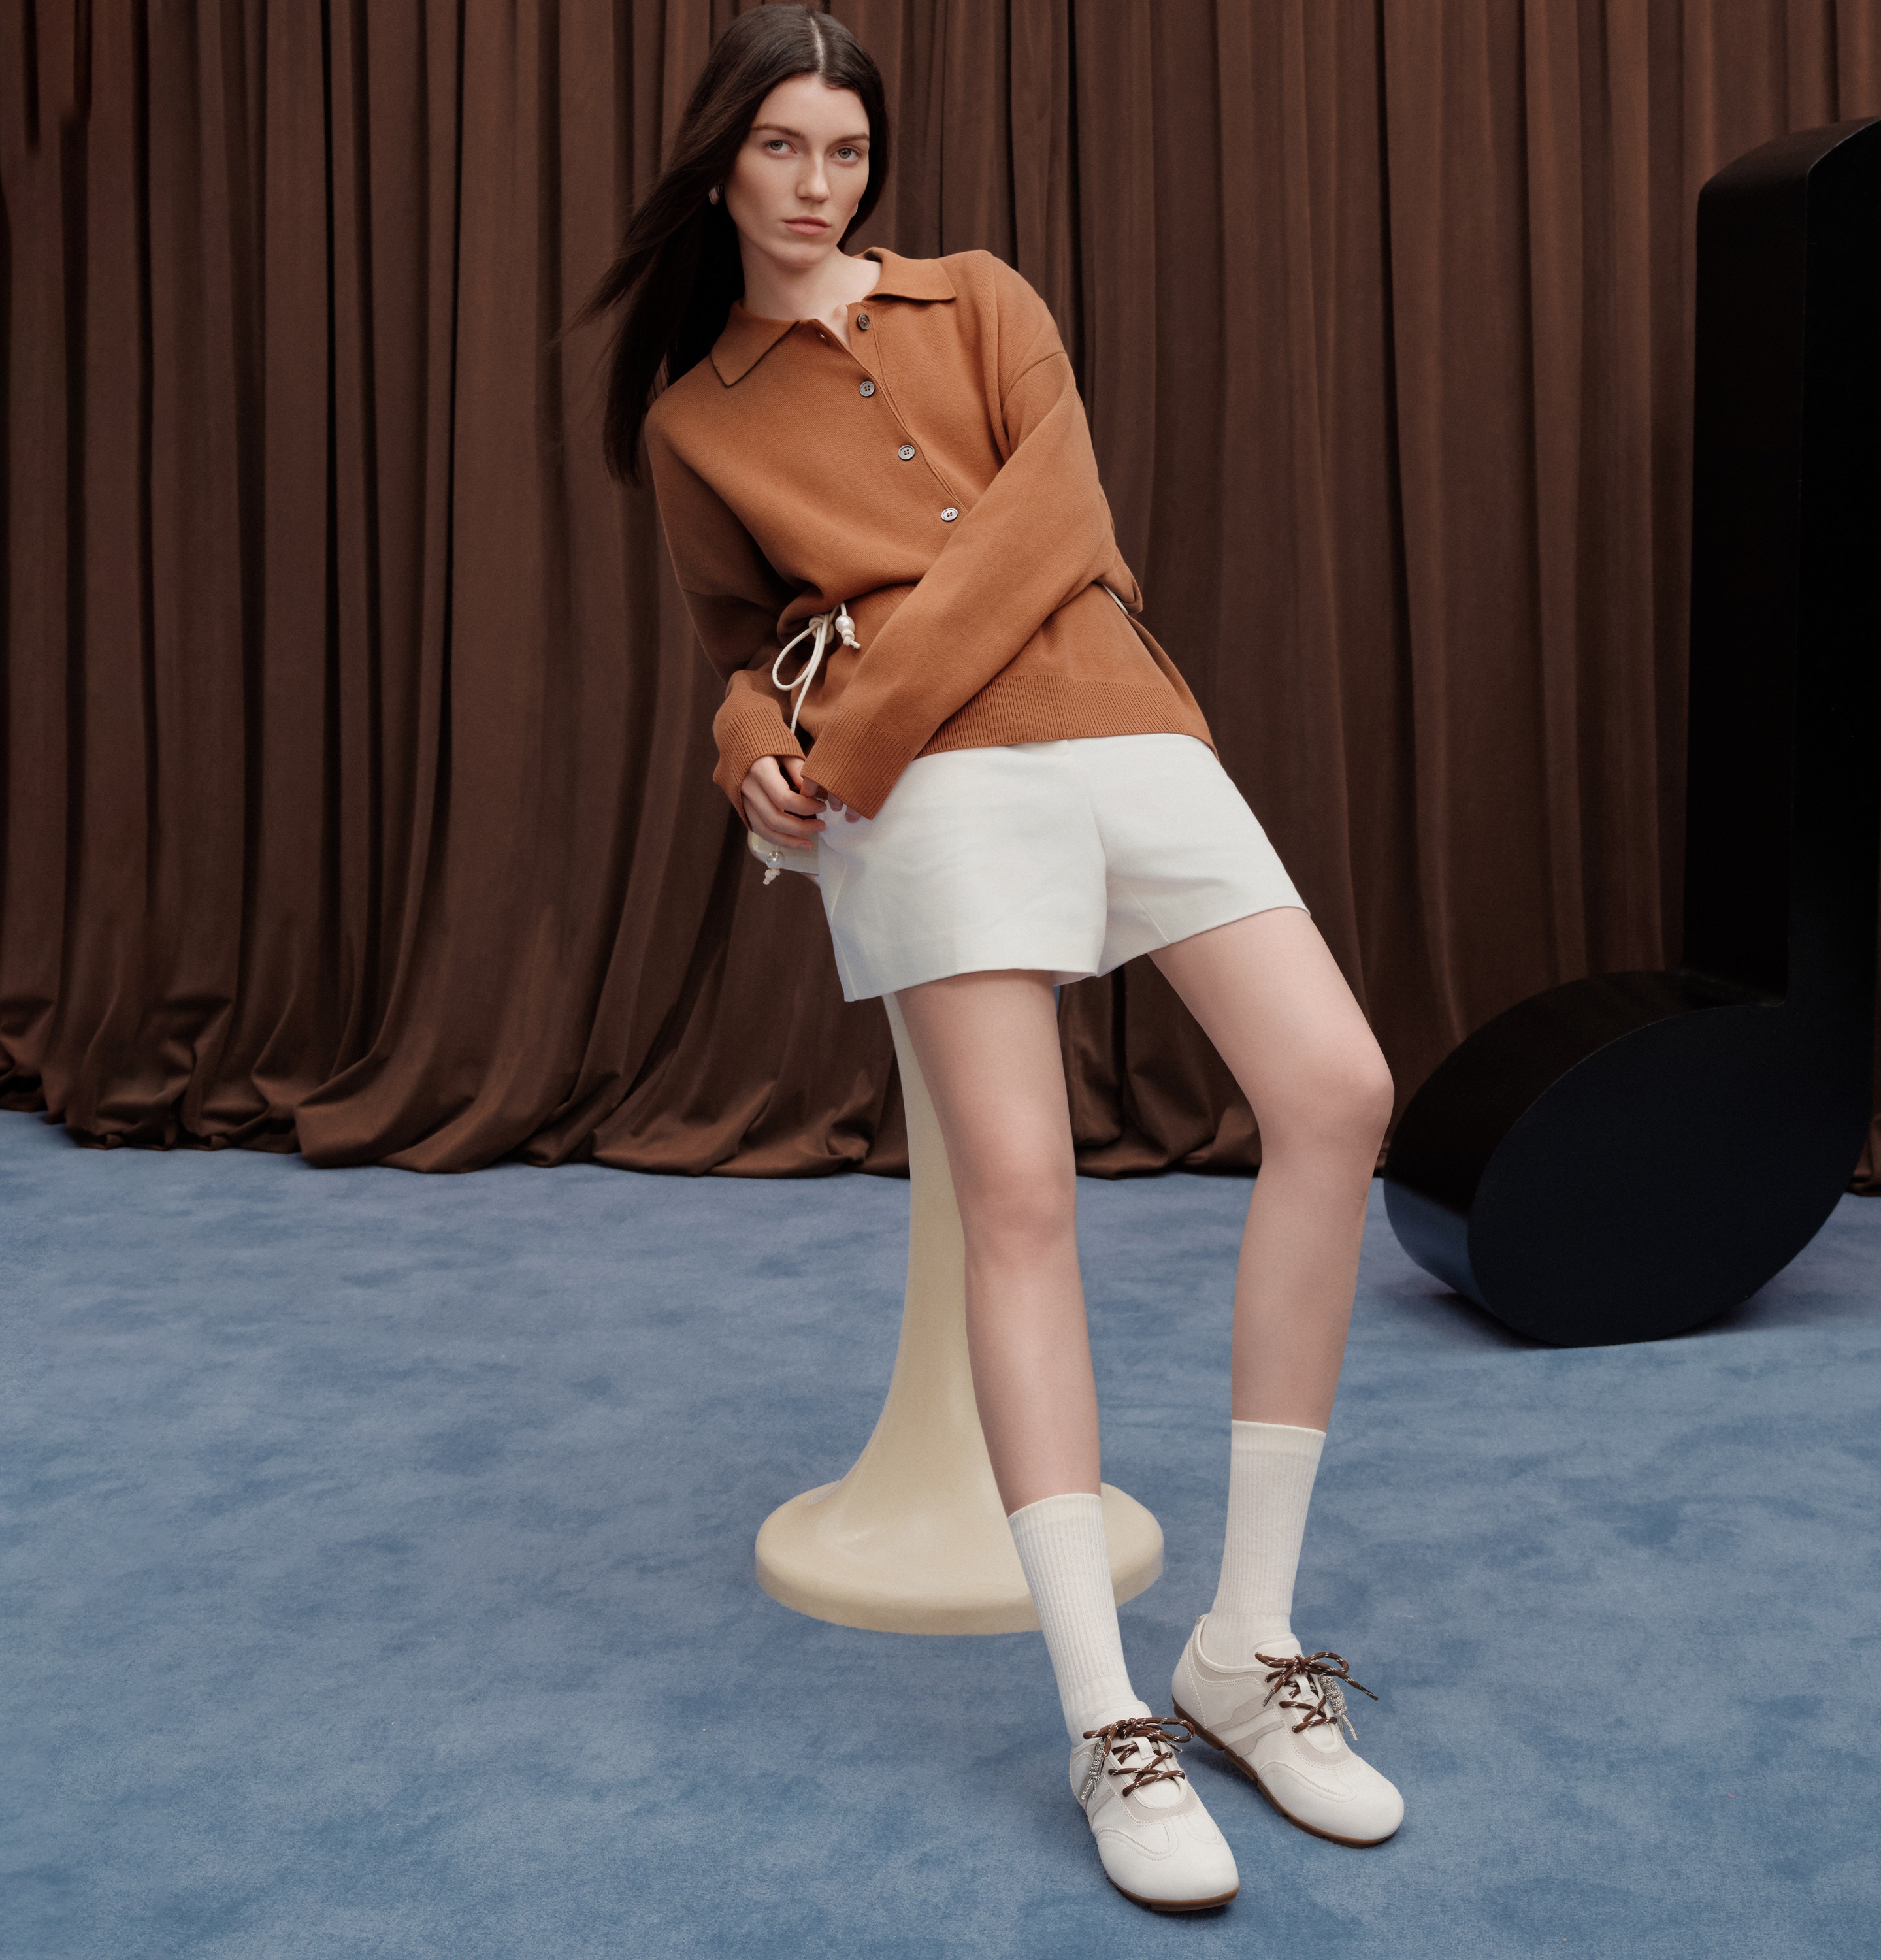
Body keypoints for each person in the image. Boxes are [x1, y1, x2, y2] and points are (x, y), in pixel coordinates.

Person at [583, 5, 1401, 1914]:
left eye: (846, 150)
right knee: (1022, 1196)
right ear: (720, 161)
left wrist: (850, 730)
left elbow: (1060, 521)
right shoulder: (696, 416)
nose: (816, 184)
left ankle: (1247, 1642)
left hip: (1120, 725)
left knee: (1337, 1090)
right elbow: (741, 644)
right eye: (781, 146)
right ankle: (1110, 1720)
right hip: (935, 802)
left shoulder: (979, 297)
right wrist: (754, 748)